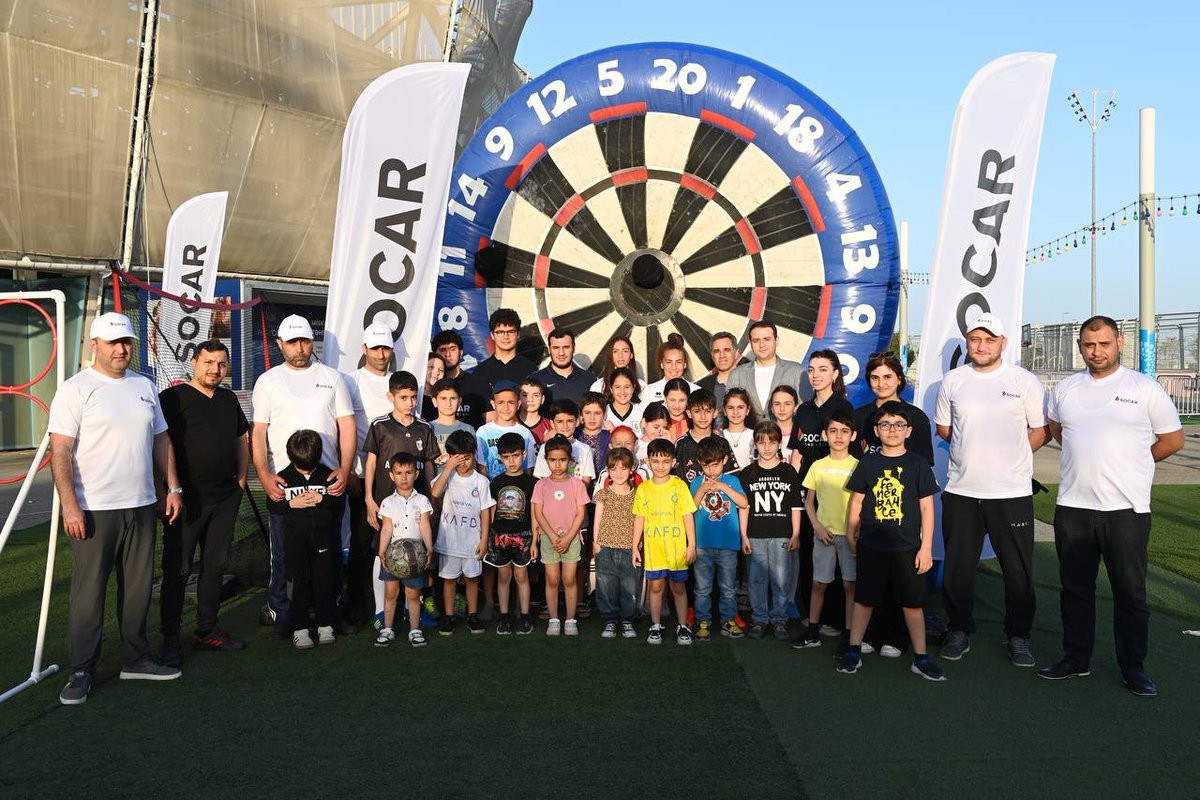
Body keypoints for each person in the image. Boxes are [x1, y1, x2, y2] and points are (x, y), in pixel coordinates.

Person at [1039, 316, 1183, 696]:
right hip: (1073, 507)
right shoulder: (1065, 389)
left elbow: (1172, 440)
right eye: (1089, 345)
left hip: (1126, 511)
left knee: (1130, 593)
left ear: (1120, 342)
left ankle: (1133, 668)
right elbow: (1057, 431)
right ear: (1080, 347)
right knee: (1075, 590)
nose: (1096, 351)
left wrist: (1135, 462)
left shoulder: (1144, 388)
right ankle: (1076, 659)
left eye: (1104, 343)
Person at [50, 312, 183, 704]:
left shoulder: (144, 385)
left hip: (141, 505)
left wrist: (172, 487)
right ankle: (81, 670)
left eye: (126, 342)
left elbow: (161, 440)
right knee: (88, 594)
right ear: (95, 345)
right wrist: (70, 505)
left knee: (138, 589)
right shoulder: (75, 389)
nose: (121, 349)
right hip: (94, 509)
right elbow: (60, 451)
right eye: (113, 343)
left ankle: (136, 658)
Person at [935, 312, 1047, 666]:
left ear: (1003, 343)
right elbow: (944, 429)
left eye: (989, 339)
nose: (981, 346)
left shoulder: (1024, 381)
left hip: (1011, 493)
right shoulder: (953, 380)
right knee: (958, 569)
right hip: (962, 491)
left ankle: (1018, 636)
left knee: (1017, 570)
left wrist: (1012, 457)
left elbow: (1040, 430)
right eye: (975, 339)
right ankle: (958, 629)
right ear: (968, 342)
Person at [251, 314, 354, 635]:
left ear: (313, 342)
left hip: (327, 482)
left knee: (330, 552)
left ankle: (330, 611)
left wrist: (344, 469)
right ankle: (282, 612)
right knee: (283, 554)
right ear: (280, 344)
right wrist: (264, 475)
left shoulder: (333, 378)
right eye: (293, 341)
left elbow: (347, 425)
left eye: (305, 341)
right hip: (285, 483)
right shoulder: (268, 381)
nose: (300, 348)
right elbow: (258, 432)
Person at [158, 339, 249, 667]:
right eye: (208, 362)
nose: (215, 369)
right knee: (178, 569)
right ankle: (170, 636)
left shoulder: (228, 399)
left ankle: (207, 630)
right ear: (194, 363)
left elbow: (241, 438)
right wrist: (168, 489)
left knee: (215, 567)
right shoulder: (173, 398)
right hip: (185, 502)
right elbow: (158, 442)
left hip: (224, 499)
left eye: (221, 363)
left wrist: (241, 479)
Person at [839, 402, 943, 681]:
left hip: (907, 547)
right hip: (872, 545)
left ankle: (921, 657)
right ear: (876, 430)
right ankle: (853, 650)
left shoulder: (918, 464)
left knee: (912, 602)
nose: (892, 430)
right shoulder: (868, 462)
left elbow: (927, 508)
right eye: (885, 424)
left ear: (908, 431)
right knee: (864, 599)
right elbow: (857, 501)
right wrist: (850, 533)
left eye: (899, 425)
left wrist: (926, 547)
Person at [268, 430, 345, 651]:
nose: (305, 471)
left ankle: (325, 625)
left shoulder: (328, 476)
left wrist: (323, 499)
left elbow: (339, 504)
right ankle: (300, 629)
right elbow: (273, 506)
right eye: (301, 467)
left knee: (324, 582)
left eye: (309, 466)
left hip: (323, 541)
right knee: (297, 585)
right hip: (294, 544)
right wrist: (291, 504)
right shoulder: (283, 478)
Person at [345, 323, 398, 628]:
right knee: (362, 542)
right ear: (364, 348)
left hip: (397, 479)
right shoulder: (350, 381)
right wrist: (351, 470)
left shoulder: (400, 382)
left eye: (385, 348)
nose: (380, 354)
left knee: (396, 540)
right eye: (375, 348)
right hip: (363, 476)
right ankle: (356, 604)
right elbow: (345, 429)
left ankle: (394, 604)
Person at [795, 409, 858, 649]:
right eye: (833, 431)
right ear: (824, 435)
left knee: (850, 585)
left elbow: (862, 505)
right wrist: (818, 527)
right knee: (819, 583)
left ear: (853, 436)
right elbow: (809, 503)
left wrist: (855, 533)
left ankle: (850, 635)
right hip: (823, 536)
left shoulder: (859, 466)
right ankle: (813, 631)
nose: (839, 436)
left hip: (851, 537)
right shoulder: (817, 466)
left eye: (844, 431)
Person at [738, 421, 803, 640]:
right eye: (761, 442)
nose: (766, 447)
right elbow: (744, 507)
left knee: (781, 579)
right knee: (756, 580)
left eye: (772, 442)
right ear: (755, 444)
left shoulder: (788, 471)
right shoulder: (748, 473)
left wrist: (796, 534)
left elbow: (795, 507)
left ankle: (779, 620)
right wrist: (744, 535)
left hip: (781, 533)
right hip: (755, 534)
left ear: (779, 444)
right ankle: (759, 619)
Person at [632, 438, 698, 645]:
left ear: (674, 462)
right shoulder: (643, 489)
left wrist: (692, 545)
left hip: (677, 549)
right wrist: (635, 546)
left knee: (678, 587)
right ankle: (655, 625)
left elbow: (688, 515)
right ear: (648, 461)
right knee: (656, 587)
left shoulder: (679, 486)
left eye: (666, 461)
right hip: (655, 549)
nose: (661, 466)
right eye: (656, 461)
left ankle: (682, 626)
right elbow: (639, 518)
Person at [429, 430, 494, 635]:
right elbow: (435, 492)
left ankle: (472, 615)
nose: (463, 463)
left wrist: (484, 540)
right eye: (457, 458)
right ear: (449, 457)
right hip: (450, 541)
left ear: (474, 455)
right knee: (449, 580)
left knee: (472, 579)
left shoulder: (481, 481)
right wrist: (448, 467)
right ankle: (448, 616)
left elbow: (485, 511)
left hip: (472, 541)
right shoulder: (447, 476)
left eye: (467, 457)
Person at [690, 437, 750, 641]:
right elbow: (690, 509)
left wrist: (723, 487)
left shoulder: (732, 481)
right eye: (706, 466)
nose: (711, 471)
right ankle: (702, 621)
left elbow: (743, 503)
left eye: (715, 465)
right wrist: (702, 490)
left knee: (728, 588)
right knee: (702, 589)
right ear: (700, 463)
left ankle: (728, 620)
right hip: (702, 545)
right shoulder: (697, 482)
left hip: (728, 545)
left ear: (724, 460)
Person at [374, 453, 434, 648]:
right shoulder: (387, 502)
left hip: (415, 558)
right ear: (392, 475)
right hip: (393, 557)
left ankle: (415, 630)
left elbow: (425, 525)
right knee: (391, 594)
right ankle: (387, 629)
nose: (404, 477)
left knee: (413, 595)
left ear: (416, 474)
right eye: (399, 473)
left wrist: (429, 547)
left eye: (408, 472)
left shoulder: (422, 500)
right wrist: (382, 551)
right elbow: (386, 528)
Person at [532, 435, 590, 636]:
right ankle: (554, 619)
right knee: (552, 579)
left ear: (570, 460)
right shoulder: (541, 485)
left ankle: (571, 620)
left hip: (571, 538)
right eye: (553, 460)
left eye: (562, 460)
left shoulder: (577, 484)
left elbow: (581, 513)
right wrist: (552, 536)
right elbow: (538, 513)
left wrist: (567, 538)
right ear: (546, 460)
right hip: (549, 539)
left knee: (569, 579)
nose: (557, 465)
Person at [486, 432, 539, 636]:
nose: (511, 461)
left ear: (524, 454)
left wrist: (534, 540)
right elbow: (491, 512)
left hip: (524, 536)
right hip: (500, 536)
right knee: (503, 576)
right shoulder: (495, 483)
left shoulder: (532, 483)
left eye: (515, 456)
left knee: (521, 575)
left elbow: (535, 514)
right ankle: (504, 616)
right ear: (500, 457)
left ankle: (525, 616)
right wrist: (488, 537)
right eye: (506, 457)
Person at [592, 447, 642, 639]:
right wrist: (596, 543)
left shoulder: (637, 494)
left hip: (629, 548)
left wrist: (637, 545)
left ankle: (628, 620)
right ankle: (610, 620)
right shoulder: (603, 494)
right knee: (606, 585)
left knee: (630, 586)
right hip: (605, 547)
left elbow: (640, 521)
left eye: (623, 468)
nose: (618, 473)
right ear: (607, 470)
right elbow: (597, 520)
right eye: (614, 469)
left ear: (632, 469)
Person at [853, 351, 933, 462]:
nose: (881, 384)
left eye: (887, 377)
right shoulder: (858, 417)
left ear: (899, 379)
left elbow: (924, 465)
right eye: (875, 378)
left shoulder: (917, 417)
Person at [725, 320, 808, 418]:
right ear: (750, 344)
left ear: (776, 341)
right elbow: (729, 410)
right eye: (756, 340)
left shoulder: (797, 371)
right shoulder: (737, 375)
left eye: (767, 339)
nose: (761, 345)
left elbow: (807, 410)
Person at [475, 380, 537, 478]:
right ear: (493, 404)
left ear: (518, 404)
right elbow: (481, 465)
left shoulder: (525, 433)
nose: (506, 407)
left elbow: (529, 467)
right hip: (492, 485)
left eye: (511, 402)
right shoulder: (483, 432)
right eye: (500, 402)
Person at [674, 388, 735, 483]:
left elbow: (732, 480)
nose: (703, 416)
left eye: (708, 411)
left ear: (715, 413)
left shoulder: (722, 443)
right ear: (689, 413)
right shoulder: (680, 444)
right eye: (697, 411)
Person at [533, 399, 596, 488]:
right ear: (552, 423)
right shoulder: (545, 448)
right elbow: (544, 480)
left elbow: (586, 482)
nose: (565, 426)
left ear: (577, 421)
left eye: (570, 421)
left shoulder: (585, 449)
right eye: (560, 421)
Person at [432, 329, 488, 428]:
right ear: (435, 354)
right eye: (442, 349)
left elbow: (491, 423)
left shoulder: (479, 384)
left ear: (461, 352)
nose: (448, 354)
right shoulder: (428, 388)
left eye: (452, 349)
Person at [470, 308, 537, 391]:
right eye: (500, 332)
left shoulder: (530, 369)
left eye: (511, 332)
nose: (506, 337)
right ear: (492, 335)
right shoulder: (481, 371)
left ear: (518, 334)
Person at [528, 327, 595, 408]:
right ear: (549, 349)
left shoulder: (589, 379)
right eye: (556, 348)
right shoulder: (535, 379)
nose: (561, 353)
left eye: (566, 347)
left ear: (573, 348)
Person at [428, 378, 473, 478]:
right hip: (437, 483)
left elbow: (473, 462)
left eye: (453, 398)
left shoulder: (468, 429)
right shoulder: (428, 428)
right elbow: (427, 463)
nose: (448, 403)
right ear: (434, 401)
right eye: (443, 398)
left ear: (459, 401)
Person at [643, 334, 700, 404]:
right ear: (661, 364)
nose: (674, 367)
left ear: (685, 364)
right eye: (669, 362)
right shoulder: (648, 392)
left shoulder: (696, 392)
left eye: (678, 362)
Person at [697, 331, 741, 415]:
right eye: (717, 351)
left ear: (736, 354)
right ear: (712, 356)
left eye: (727, 350)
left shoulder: (750, 381)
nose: (722, 355)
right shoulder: (702, 386)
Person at [575, 391, 611, 479]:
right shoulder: (574, 434)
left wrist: (613, 431)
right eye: (587, 413)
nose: (592, 417)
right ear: (581, 414)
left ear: (604, 415)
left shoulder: (609, 436)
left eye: (597, 413)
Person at [720, 387, 758, 470]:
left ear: (747, 410)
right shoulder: (718, 436)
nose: (735, 412)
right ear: (724, 411)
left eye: (740, 407)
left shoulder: (755, 435)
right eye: (730, 407)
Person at [603, 366, 644, 432]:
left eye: (627, 387)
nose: (622, 392)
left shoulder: (641, 414)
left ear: (633, 387)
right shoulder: (603, 413)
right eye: (617, 387)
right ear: (611, 389)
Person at [519, 377, 554, 444]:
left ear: (542, 399)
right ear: (518, 398)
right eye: (525, 395)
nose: (530, 399)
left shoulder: (550, 426)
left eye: (536, 395)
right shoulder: (511, 423)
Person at [420, 351, 445, 422]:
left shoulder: (444, 399)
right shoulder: (413, 396)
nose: (437, 372)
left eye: (441, 370)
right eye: (431, 367)